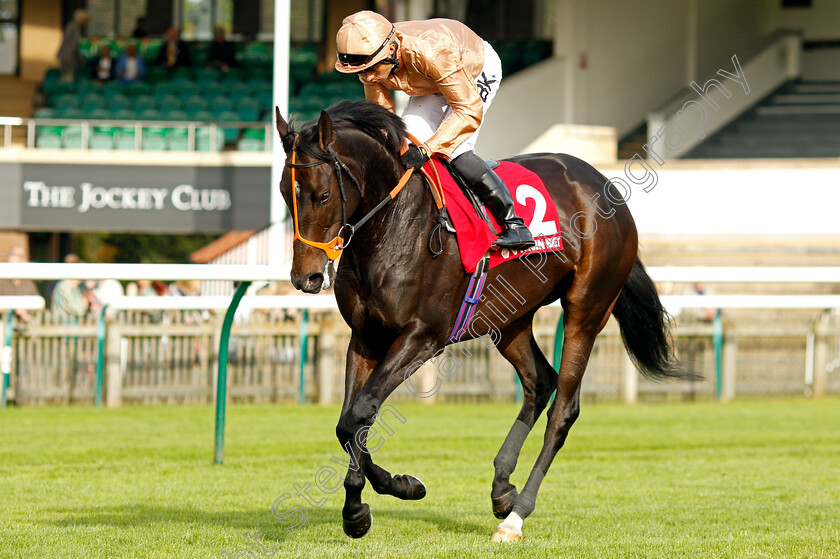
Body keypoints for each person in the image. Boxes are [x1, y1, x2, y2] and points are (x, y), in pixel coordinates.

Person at [334, 11, 535, 250]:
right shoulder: (370, 54)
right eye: (361, 71)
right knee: (408, 137)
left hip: (473, 69)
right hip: (430, 78)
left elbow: (468, 110)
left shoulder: (430, 52)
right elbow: (383, 114)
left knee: (454, 148)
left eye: (372, 69)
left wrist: (429, 149)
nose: (368, 77)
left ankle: (514, 224)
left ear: (389, 51)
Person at [0, 246, 40, 324]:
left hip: (25, 327)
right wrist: (14, 309)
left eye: (22, 257)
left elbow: (39, 305)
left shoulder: (28, 284)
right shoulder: (1, 282)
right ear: (9, 259)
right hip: (4, 328)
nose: (19, 260)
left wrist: (25, 311)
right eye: (15, 255)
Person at [50, 254, 89, 319]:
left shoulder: (76, 287)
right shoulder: (64, 287)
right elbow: (78, 310)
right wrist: (85, 302)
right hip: (62, 324)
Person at [57, 9, 89, 82]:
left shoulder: (77, 28)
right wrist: (66, 55)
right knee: (66, 76)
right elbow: (67, 42)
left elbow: (76, 45)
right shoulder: (71, 26)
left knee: (71, 76)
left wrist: (80, 57)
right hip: (67, 57)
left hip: (73, 57)